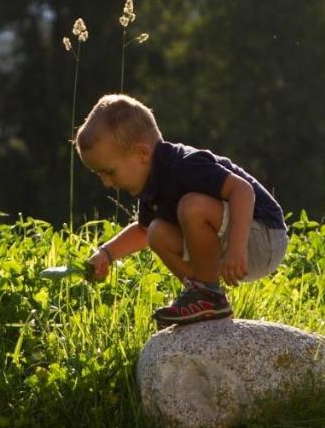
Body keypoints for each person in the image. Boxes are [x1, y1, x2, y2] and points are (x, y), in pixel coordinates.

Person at [74, 94, 288, 326]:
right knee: (156, 231)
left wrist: (237, 247)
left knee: (192, 207)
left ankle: (208, 296)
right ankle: (203, 299)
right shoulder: (151, 187)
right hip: (231, 243)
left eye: (109, 172)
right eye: (100, 176)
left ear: (142, 154)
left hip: (262, 235)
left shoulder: (185, 166)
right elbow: (143, 231)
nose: (106, 183)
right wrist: (107, 254)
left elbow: (243, 191)